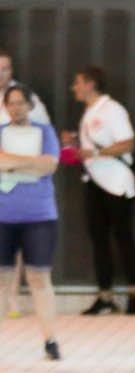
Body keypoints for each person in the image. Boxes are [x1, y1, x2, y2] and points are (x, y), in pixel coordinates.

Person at [71, 66, 135, 316]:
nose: (74, 88)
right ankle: (105, 295)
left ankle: (134, 292)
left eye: (78, 83)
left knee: (123, 237)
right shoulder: (89, 112)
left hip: (116, 182)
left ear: (91, 84)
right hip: (94, 180)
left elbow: (127, 143)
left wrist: (97, 153)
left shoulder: (112, 109)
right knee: (99, 240)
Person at [0, 84, 61, 359]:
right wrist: (30, 163)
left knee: (38, 276)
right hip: (4, 215)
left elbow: (49, 164)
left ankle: (50, 340)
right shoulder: (1, 133)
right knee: (3, 278)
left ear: (30, 105)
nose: (15, 108)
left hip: (39, 215)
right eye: (10, 103)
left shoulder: (44, 132)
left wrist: (11, 163)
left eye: (20, 103)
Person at [0, 49, 51, 319]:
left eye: (5, 69)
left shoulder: (27, 100)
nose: (1, 74)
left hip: (20, 179)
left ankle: (13, 298)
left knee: (16, 239)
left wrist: (20, 161)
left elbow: (42, 134)